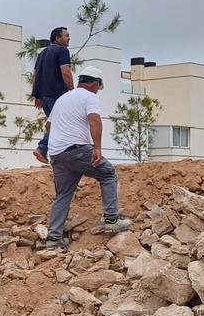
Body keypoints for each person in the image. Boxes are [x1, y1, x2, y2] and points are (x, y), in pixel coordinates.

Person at [44, 66, 130, 250]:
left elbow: (48, 125)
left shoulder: (63, 99)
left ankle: (53, 240)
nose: (98, 90)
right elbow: (94, 119)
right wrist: (97, 147)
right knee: (107, 173)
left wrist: (60, 140)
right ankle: (112, 219)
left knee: (63, 195)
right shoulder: (89, 97)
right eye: (98, 86)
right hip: (77, 149)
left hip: (58, 153)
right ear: (94, 83)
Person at [31, 27, 74, 164]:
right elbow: (65, 71)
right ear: (57, 38)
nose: (69, 38)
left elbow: (35, 76)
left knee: (55, 124)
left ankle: (56, 155)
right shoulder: (62, 51)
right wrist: (72, 92)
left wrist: (37, 95)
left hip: (43, 96)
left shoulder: (42, 53)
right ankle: (43, 148)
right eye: (66, 36)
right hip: (57, 95)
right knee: (59, 124)